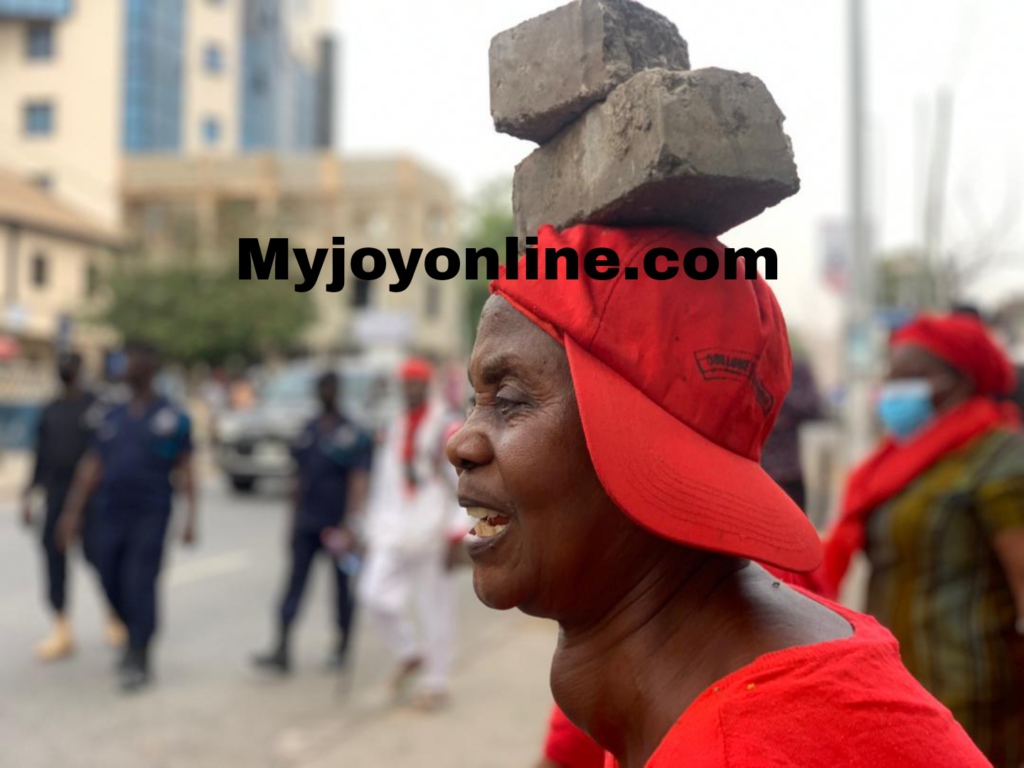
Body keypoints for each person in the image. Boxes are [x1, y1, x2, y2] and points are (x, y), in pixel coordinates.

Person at [447, 224, 988, 767]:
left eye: (510, 398)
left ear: (648, 450)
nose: (461, 442)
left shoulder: (747, 745)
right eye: (476, 399)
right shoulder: (725, 677)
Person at [806, 312, 1024, 767]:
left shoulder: (1000, 457)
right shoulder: (893, 462)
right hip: (899, 685)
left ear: (955, 381)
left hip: (972, 694)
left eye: (904, 376)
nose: (887, 388)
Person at [57, 340, 198, 693]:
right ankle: (131, 632)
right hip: (109, 511)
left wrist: (192, 518)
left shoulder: (172, 418)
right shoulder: (112, 415)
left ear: (148, 368)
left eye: (130, 362)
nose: (123, 368)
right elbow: (92, 466)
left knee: (140, 581)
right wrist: (72, 513)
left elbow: (186, 470)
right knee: (107, 575)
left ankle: (140, 654)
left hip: (150, 512)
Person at [357, 357, 468, 711]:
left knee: (435, 607)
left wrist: (456, 533)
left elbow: (461, 485)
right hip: (394, 528)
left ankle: (436, 682)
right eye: (405, 384)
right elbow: (383, 483)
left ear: (428, 385)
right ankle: (409, 653)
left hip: (433, 530)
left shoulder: (445, 427)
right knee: (373, 592)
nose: (410, 390)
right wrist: (370, 527)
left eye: (416, 383)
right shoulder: (394, 425)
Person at [253, 371, 373, 673]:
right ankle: (281, 647)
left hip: (337, 525)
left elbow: (359, 480)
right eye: (321, 388)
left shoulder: (351, 433)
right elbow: (298, 477)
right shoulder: (308, 430)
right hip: (307, 522)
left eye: (331, 388)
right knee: (294, 584)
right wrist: (291, 521)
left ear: (338, 391)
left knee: (340, 588)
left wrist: (353, 523)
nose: (326, 394)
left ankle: (342, 646)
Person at [20, 353, 125, 660]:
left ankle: (115, 616)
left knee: (99, 556)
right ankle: (61, 628)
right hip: (56, 493)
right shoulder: (50, 409)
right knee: (53, 557)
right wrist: (30, 494)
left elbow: (107, 453)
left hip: (94, 497)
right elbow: (41, 455)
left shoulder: (98, 406)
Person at [759, 351, 822, 512]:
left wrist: (778, 401)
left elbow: (814, 408)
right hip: (754, 473)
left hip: (790, 474)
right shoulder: (746, 364)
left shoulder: (796, 369)